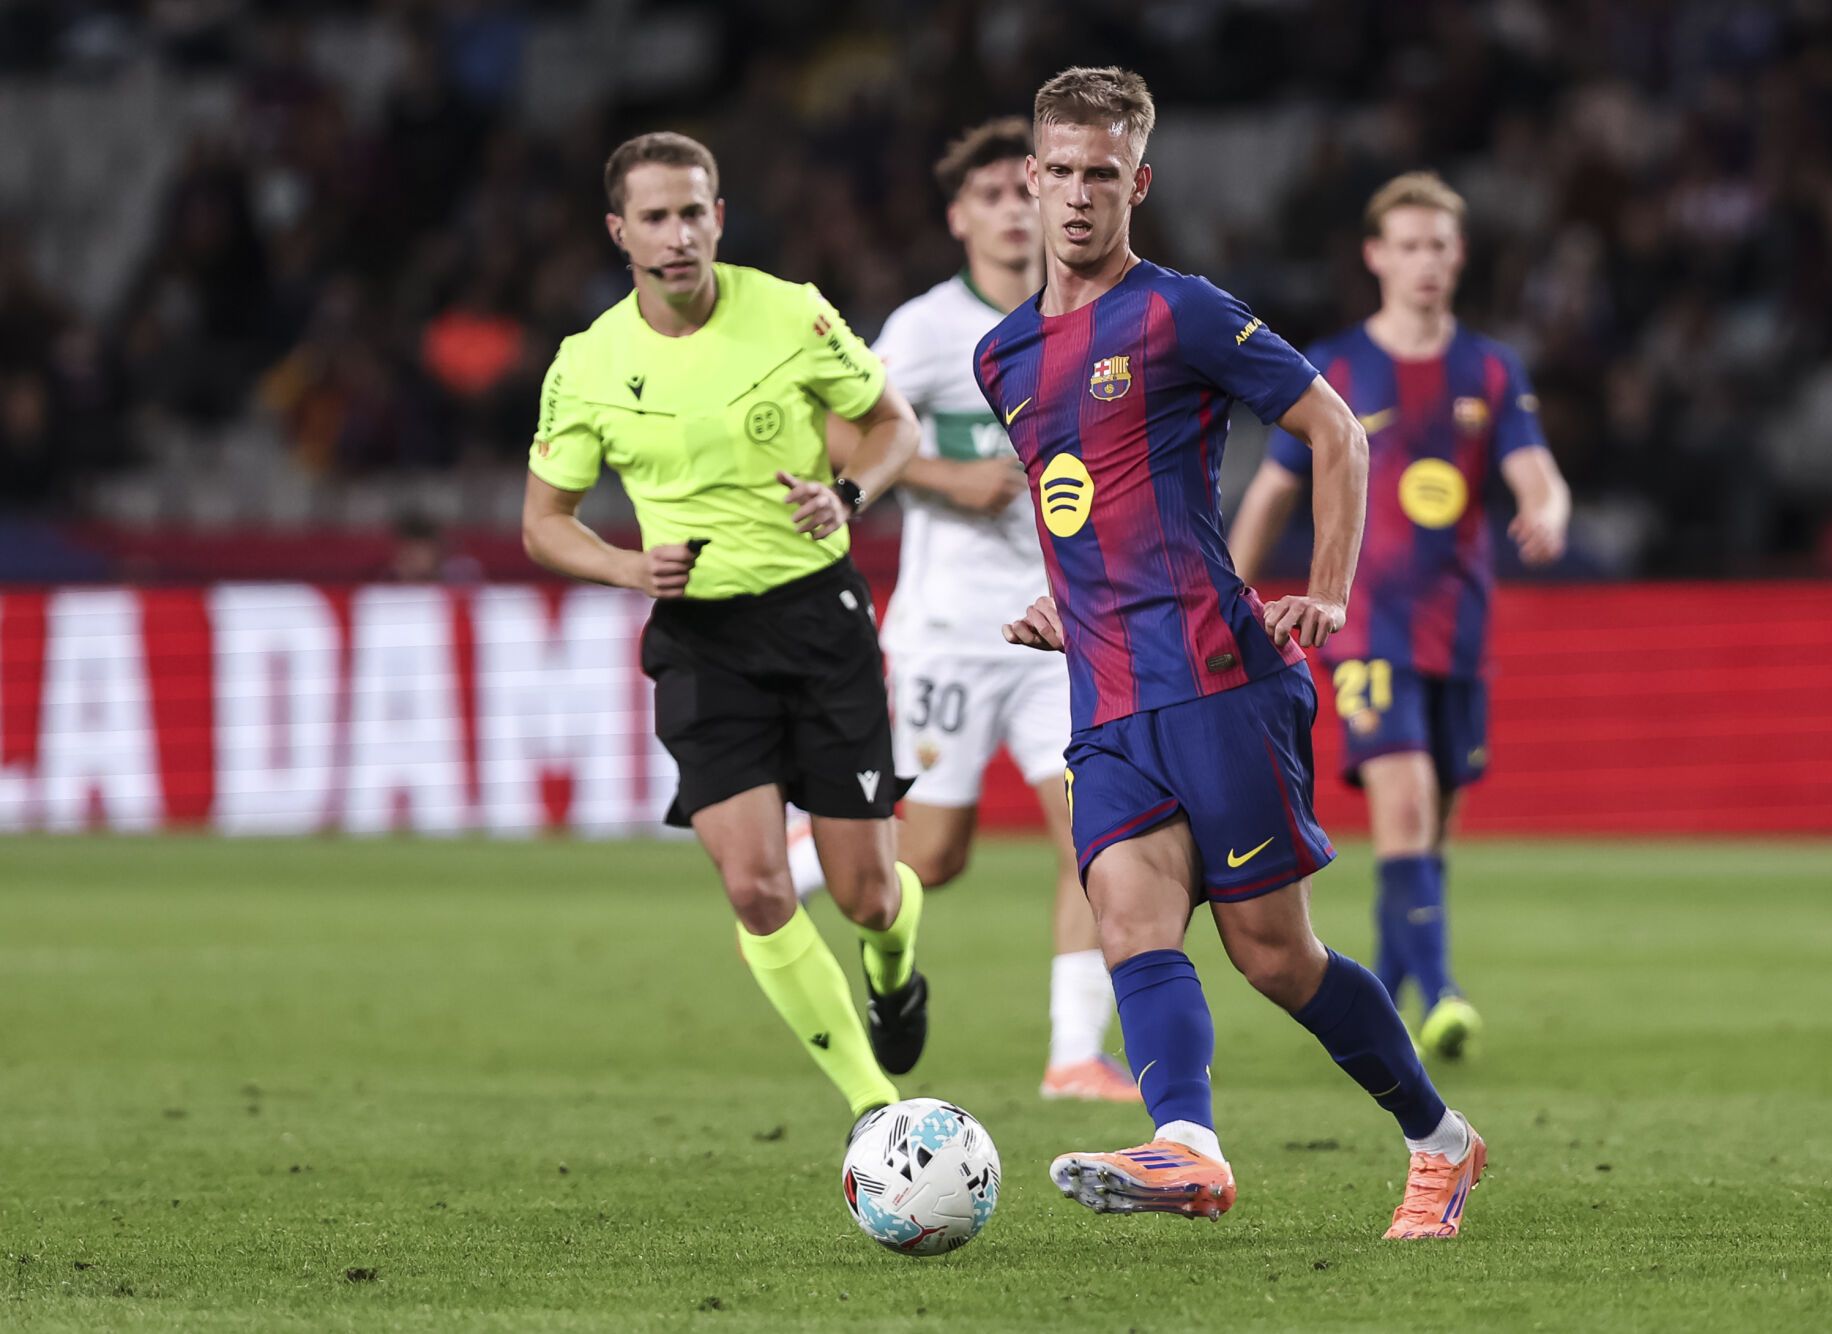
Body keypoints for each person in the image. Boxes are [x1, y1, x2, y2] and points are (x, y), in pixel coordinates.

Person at [980, 67, 1484, 1238]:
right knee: (1128, 922)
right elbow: (1080, 501)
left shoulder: (1181, 312)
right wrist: (1064, 599)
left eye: (1104, 174)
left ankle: (1439, 1139)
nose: (1078, 195)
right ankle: (1188, 1147)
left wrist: (1326, 589)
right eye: (1062, 172)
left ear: (1137, 183)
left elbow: (1332, 430)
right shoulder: (1000, 356)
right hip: (1105, 697)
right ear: (1030, 177)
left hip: (1217, 679)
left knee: (1273, 956)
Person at [520, 130, 928, 1132]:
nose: (677, 235)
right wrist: (627, 567)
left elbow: (894, 425)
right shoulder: (587, 365)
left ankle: (893, 969)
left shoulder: (792, 312)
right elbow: (543, 522)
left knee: (868, 895)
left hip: (819, 620)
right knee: (754, 886)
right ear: (619, 232)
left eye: (692, 213)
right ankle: (874, 1108)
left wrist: (847, 494)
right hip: (702, 638)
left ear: (719, 217)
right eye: (654, 218)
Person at [798, 117, 1139, 1102]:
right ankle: (798, 858)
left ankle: (1073, 1053)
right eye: (986, 197)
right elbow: (839, 429)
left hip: (1061, 629)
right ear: (958, 218)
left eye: (1017, 192)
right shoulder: (927, 329)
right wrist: (947, 478)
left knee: (1095, 836)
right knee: (934, 858)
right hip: (949, 631)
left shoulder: (1088, 314)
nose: (1009, 213)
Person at [1228, 172, 1571, 1063]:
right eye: (1409, 246)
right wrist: (1227, 591)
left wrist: (1548, 512)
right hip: (1367, 623)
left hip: (1459, 627)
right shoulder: (1337, 368)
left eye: (1439, 246)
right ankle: (1445, 994)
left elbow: (1536, 473)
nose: (1426, 262)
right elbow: (1273, 489)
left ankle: (1376, 998)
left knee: (1432, 824)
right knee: (1406, 803)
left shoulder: (1490, 369)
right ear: (1377, 256)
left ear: (1460, 257)